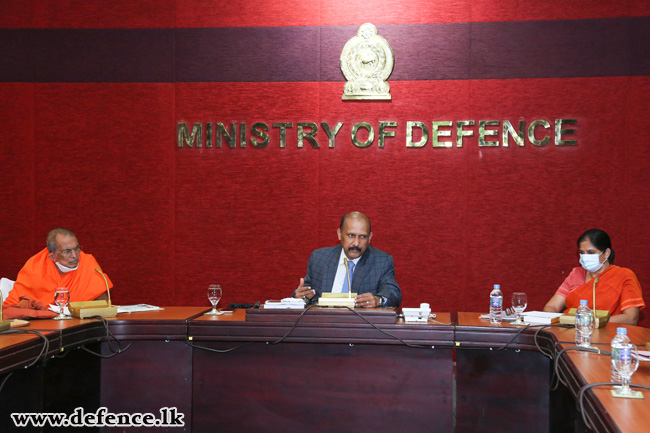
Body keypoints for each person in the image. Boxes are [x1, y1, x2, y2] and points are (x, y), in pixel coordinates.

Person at [293, 211, 401, 308]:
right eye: (351, 235)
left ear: (370, 238)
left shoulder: (381, 261)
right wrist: (301, 296)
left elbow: (392, 292)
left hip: (361, 326)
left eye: (362, 237)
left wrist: (378, 300)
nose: (356, 243)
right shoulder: (319, 258)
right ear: (339, 234)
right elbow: (306, 292)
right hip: (323, 323)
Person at [543, 229, 644, 325]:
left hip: (608, 336)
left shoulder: (624, 275)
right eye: (582, 253)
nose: (585, 256)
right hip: (572, 332)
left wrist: (590, 322)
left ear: (606, 253)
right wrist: (559, 321)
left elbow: (631, 318)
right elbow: (551, 306)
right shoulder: (576, 273)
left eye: (591, 252)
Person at [5, 228, 112, 306]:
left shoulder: (87, 262)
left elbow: (104, 304)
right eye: (67, 251)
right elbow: (13, 306)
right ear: (52, 256)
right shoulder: (35, 268)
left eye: (76, 249)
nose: (75, 256)